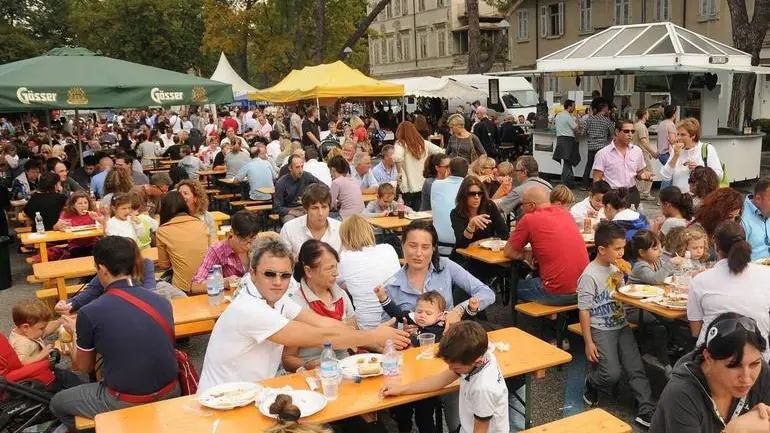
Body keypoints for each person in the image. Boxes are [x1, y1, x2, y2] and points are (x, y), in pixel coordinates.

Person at [197, 237, 410, 392]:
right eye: (269, 274)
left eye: (285, 275)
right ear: (252, 273)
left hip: (252, 391)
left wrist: (373, 334)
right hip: (222, 398)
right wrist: (373, 336)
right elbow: (319, 337)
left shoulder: (278, 299)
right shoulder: (250, 308)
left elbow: (323, 324)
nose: (278, 281)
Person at [50, 236, 180, 431]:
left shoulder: (91, 312)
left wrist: (75, 333)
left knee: (58, 403)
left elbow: (84, 367)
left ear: (102, 270)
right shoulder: (161, 301)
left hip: (126, 399)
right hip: (172, 390)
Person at [383, 220, 496, 432]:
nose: (418, 253)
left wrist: (458, 310)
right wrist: (398, 332)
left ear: (433, 248)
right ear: (403, 245)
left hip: (451, 356)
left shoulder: (446, 267)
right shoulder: (392, 285)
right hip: (415, 361)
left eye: (425, 247)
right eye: (412, 246)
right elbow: (385, 330)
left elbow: (487, 293)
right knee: (420, 413)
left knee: (456, 418)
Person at [578, 221, 656, 428]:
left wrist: (623, 282)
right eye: (617, 248)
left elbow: (619, 294)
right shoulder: (589, 275)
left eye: (623, 247)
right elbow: (584, 310)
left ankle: (646, 409)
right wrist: (588, 342)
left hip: (620, 324)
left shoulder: (615, 268)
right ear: (602, 249)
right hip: (600, 328)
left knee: (635, 367)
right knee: (611, 373)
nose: (622, 253)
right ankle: (592, 381)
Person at [649, 313, 770, 433]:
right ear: (708, 358)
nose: (746, 378)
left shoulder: (762, 373)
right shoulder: (681, 394)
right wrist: (735, 430)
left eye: (755, 364)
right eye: (734, 365)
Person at [380, 321, 509, 433]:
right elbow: (439, 380)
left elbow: (480, 430)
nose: (451, 370)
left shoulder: (483, 389)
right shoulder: (480, 355)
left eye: (456, 368)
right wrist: (401, 388)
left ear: (477, 361)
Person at [688, 221, 770, 359]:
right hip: (758, 357)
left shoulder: (700, 280)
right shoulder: (766, 274)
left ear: (716, 247)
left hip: (713, 357)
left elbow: (695, 331)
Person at [282, 240, 359, 372]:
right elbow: (288, 358)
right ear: (308, 271)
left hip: (346, 366)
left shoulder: (340, 295)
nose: (336, 273)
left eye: (336, 266)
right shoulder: (295, 305)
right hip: (314, 371)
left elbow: (354, 335)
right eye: (329, 268)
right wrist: (308, 366)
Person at [505, 184, 588, 305]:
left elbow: (509, 252)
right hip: (584, 290)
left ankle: (524, 321)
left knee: (513, 286)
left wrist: (525, 255)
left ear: (532, 205)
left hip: (557, 293)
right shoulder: (566, 214)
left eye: (522, 204)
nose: (521, 209)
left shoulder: (529, 219)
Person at [337, 214, 401, 330]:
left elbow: (341, 286)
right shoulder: (388, 249)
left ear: (344, 236)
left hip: (367, 326)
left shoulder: (344, 258)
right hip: (396, 319)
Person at [191, 210, 261, 291]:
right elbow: (195, 285)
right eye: (243, 240)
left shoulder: (259, 246)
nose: (248, 245)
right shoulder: (217, 251)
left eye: (252, 239)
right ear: (232, 232)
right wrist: (223, 283)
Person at [156, 191, 210, 294]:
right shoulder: (201, 224)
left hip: (182, 287)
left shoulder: (163, 230)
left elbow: (164, 265)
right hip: (206, 283)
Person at [591, 120, 653, 208]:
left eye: (632, 131)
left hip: (632, 193)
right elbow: (597, 178)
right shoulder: (603, 153)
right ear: (617, 132)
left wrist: (644, 175)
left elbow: (639, 172)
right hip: (612, 193)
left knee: (632, 219)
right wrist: (599, 197)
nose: (630, 134)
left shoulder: (637, 151)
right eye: (626, 131)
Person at [660, 118, 723, 193]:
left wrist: (699, 169)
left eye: (683, 135)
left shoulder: (707, 149)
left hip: (700, 200)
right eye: (677, 134)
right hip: (679, 200)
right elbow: (665, 176)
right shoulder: (676, 151)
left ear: (693, 136)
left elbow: (718, 176)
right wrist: (675, 156)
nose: (678, 138)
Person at [394, 121, 445, 211]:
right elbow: (440, 151)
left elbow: (397, 158)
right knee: (420, 212)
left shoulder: (400, 144)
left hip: (407, 186)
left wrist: (399, 172)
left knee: (405, 212)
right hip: (422, 183)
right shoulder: (424, 143)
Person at [280, 184, 342, 257]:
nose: (321, 213)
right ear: (306, 209)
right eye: (315, 208)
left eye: (324, 207)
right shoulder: (289, 229)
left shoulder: (340, 229)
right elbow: (283, 260)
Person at [450, 175, 508, 252]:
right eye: (472, 194)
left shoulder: (489, 206)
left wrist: (481, 242)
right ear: (464, 195)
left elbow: (504, 234)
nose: (477, 197)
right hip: (465, 257)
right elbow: (462, 244)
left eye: (479, 193)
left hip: (487, 254)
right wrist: (470, 226)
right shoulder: (456, 213)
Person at [431, 157, 468, 255]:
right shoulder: (469, 187)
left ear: (449, 170)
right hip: (464, 244)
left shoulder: (435, 184)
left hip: (440, 243)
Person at [497, 155, 552, 220]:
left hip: (529, 227)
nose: (515, 173)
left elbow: (497, 208)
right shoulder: (548, 185)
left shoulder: (519, 191)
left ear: (524, 173)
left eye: (517, 170)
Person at [53, 191, 105, 257]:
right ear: (73, 205)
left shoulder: (93, 211)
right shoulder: (67, 213)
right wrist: (59, 226)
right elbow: (55, 227)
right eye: (79, 203)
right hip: (75, 245)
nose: (83, 205)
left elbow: (106, 224)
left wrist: (98, 218)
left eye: (86, 203)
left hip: (93, 242)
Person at [274, 154, 321, 223]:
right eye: (297, 167)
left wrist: (310, 197)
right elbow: (277, 208)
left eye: (302, 166)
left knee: (319, 218)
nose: (301, 170)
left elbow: (323, 187)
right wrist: (294, 212)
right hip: (289, 212)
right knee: (291, 223)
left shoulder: (306, 175)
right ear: (290, 168)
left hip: (304, 208)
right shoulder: (281, 183)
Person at [582, 99, 614, 189]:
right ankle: (598, 186)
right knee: (601, 168)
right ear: (604, 109)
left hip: (591, 145)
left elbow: (583, 132)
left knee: (589, 165)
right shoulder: (607, 121)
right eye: (607, 108)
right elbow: (612, 134)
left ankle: (584, 185)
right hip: (602, 147)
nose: (608, 110)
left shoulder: (590, 119)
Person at [553, 99, 581, 188]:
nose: (574, 108)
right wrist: (577, 117)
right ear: (569, 106)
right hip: (568, 140)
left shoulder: (558, 115)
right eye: (573, 106)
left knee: (567, 161)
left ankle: (568, 181)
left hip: (560, 140)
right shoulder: (568, 116)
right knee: (568, 161)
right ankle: (566, 183)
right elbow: (576, 128)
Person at [741, 177, 770, 261]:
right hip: (753, 269)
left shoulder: (766, 210)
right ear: (758, 199)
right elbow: (738, 256)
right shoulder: (742, 217)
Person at [656, 105, 678, 190]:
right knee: (669, 175)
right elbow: (672, 140)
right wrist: (680, 137)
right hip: (667, 154)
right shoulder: (671, 124)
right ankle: (662, 197)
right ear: (673, 114)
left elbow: (659, 139)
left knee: (668, 174)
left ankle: (666, 197)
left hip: (661, 154)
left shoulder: (661, 124)